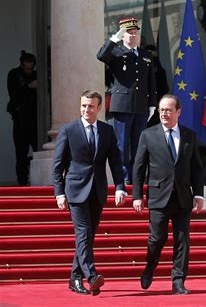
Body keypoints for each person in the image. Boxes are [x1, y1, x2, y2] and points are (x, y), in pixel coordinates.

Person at [52, 90, 127, 295]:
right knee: (83, 233)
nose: (87, 109)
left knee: (88, 237)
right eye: (84, 105)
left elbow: (115, 162)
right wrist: (59, 193)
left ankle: (74, 278)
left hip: (97, 191)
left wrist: (120, 186)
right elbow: (58, 165)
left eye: (91, 106)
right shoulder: (68, 130)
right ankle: (92, 276)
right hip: (75, 190)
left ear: (99, 108)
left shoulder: (107, 131)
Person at [132, 94, 203, 295]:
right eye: (162, 109)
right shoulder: (148, 135)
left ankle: (178, 280)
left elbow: (196, 168)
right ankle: (149, 267)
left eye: (169, 110)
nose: (164, 113)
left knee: (183, 240)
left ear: (178, 112)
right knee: (157, 238)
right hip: (158, 196)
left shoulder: (189, 135)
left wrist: (199, 194)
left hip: (182, 197)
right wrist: (137, 195)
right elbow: (139, 167)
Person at [97, 17, 157, 184]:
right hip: (122, 106)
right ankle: (123, 181)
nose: (132, 35)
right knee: (122, 146)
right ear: (122, 35)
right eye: (128, 33)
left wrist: (152, 103)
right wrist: (113, 39)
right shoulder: (116, 52)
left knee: (139, 146)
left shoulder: (146, 55)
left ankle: (136, 180)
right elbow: (101, 56)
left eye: (135, 32)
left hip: (141, 106)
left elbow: (151, 81)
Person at [7, 50, 38, 186]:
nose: (29, 71)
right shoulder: (14, 74)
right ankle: (22, 180)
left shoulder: (38, 75)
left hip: (37, 119)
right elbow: (14, 93)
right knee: (21, 151)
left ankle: (35, 175)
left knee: (39, 150)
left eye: (31, 68)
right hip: (20, 119)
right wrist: (29, 86)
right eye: (26, 68)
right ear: (21, 65)